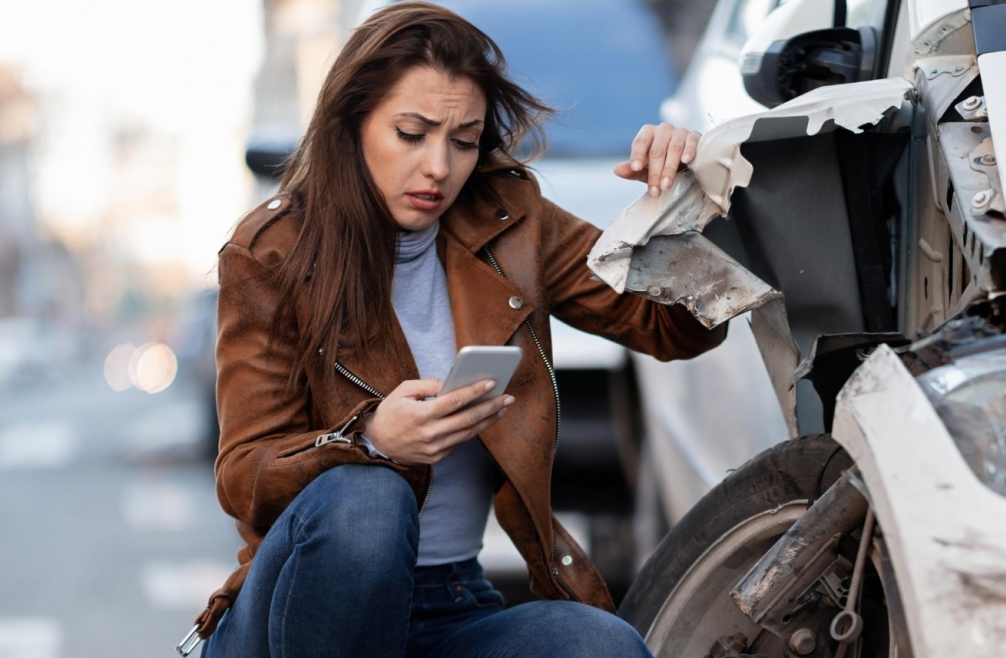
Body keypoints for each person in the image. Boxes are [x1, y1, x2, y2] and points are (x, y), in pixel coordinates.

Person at [190, 3, 727, 656]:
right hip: (298, 613)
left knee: (600, 647)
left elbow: (674, 329)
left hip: (451, 606)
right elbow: (243, 473)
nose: (439, 168)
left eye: (464, 140)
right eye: (411, 134)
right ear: (352, 125)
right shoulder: (271, 251)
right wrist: (371, 440)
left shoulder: (508, 218)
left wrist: (681, 205)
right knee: (370, 502)